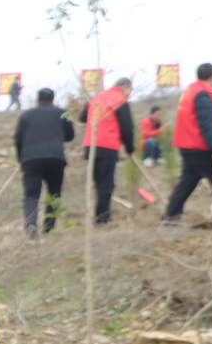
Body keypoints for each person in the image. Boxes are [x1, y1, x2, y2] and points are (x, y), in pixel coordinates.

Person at [163, 63, 212, 224]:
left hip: (187, 144)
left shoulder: (191, 91)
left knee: (187, 182)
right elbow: (205, 124)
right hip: (198, 146)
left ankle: (170, 217)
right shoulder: (203, 94)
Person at [14, 88, 75, 235]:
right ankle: (49, 227)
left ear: (37, 99)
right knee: (54, 193)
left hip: (30, 159)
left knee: (31, 195)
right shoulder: (62, 113)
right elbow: (70, 136)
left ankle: (31, 225)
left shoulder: (26, 115)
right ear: (53, 100)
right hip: (56, 158)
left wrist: (20, 159)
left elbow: (18, 139)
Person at [78, 77, 135, 225]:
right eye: (130, 90)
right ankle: (102, 219)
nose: (129, 94)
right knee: (106, 184)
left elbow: (82, 117)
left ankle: (99, 216)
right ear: (125, 87)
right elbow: (127, 127)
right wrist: (130, 148)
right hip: (107, 145)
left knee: (98, 183)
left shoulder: (96, 97)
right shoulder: (119, 100)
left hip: (90, 145)